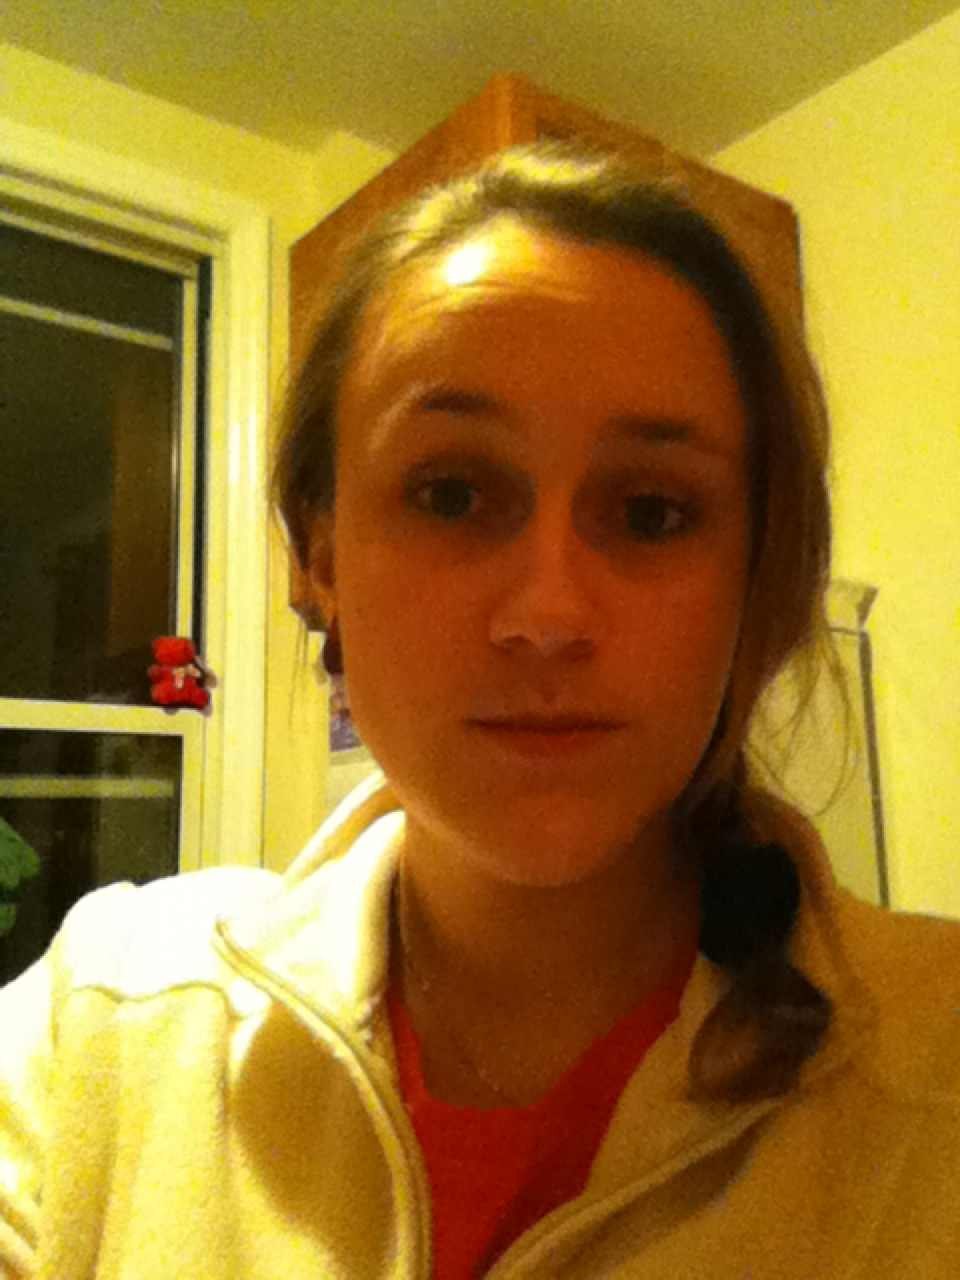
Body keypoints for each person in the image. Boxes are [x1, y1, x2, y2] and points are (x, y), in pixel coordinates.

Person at [1, 142, 958, 1280]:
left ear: (755, 568)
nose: (548, 614)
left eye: (653, 511)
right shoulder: (111, 1011)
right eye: (452, 493)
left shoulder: (935, 1072)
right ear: (319, 555)